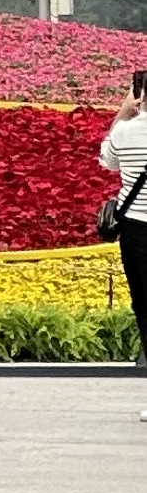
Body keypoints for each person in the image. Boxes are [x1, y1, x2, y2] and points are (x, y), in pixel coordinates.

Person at [100, 73, 147, 377]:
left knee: (144, 306)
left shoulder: (125, 133)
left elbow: (107, 161)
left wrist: (123, 111)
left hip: (135, 230)